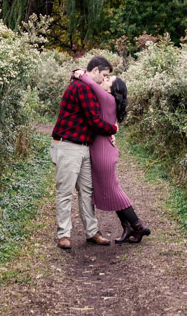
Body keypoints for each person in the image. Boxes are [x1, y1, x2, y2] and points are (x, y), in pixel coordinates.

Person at [75, 71, 152, 243]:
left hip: (102, 153)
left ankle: (138, 225)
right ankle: (129, 228)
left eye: (108, 79)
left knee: (113, 190)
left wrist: (80, 73)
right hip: (103, 150)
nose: (104, 79)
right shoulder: (108, 100)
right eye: (105, 77)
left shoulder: (107, 98)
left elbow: (92, 83)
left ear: (113, 89)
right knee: (111, 190)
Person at [50, 55, 118, 250]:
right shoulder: (82, 88)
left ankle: (92, 232)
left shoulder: (87, 86)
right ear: (95, 71)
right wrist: (113, 129)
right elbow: (94, 121)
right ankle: (64, 235)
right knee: (65, 191)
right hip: (69, 145)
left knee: (87, 191)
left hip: (84, 146)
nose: (104, 79)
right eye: (103, 75)